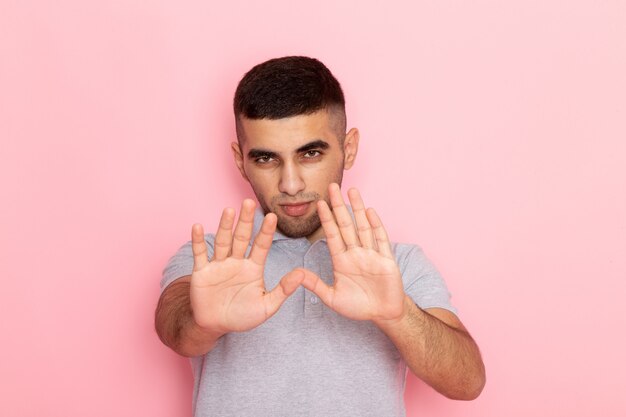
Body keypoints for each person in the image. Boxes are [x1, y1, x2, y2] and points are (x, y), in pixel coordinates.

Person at [155, 56, 485, 417]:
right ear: (240, 160)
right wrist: (204, 322)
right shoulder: (209, 259)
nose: (291, 184)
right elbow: (174, 330)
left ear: (349, 148)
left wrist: (398, 314)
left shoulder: (397, 263)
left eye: (310, 153)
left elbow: (467, 382)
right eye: (266, 159)